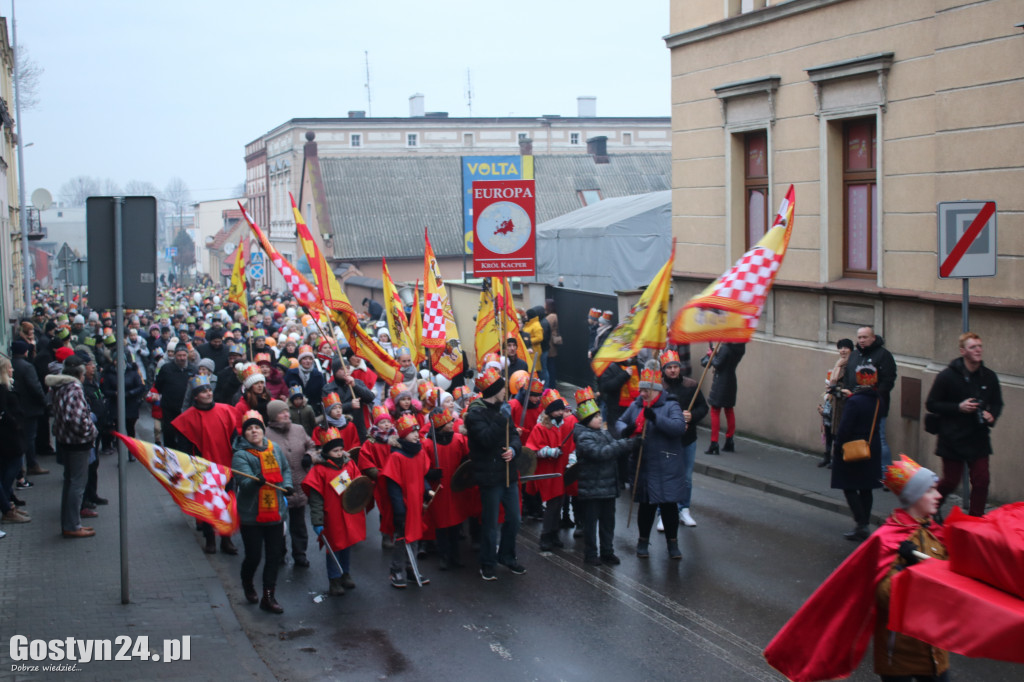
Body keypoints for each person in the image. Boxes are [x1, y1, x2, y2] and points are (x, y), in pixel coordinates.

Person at [764, 454, 949, 682]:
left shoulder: (936, 535)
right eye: (931, 490)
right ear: (916, 496)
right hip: (899, 653)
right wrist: (910, 571)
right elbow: (885, 596)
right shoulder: (889, 539)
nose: (938, 496)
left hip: (934, 649)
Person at [925, 331, 1002, 517]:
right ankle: (930, 508)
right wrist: (959, 407)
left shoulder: (989, 376)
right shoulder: (947, 376)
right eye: (973, 347)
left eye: (980, 346)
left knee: (982, 481)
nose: (978, 350)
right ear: (963, 351)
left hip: (978, 437)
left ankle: (975, 519)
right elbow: (932, 404)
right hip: (952, 437)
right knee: (950, 481)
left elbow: (998, 402)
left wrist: (991, 414)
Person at [617, 361, 688, 560]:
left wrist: (656, 418)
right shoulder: (636, 405)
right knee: (646, 507)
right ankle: (642, 541)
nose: (642, 394)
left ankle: (672, 544)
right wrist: (627, 430)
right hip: (643, 465)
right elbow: (620, 422)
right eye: (640, 390)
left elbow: (678, 427)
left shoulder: (671, 405)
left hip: (667, 465)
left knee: (668, 507)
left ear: (655, 391)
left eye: (645, 391)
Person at [464, 367, 525, 581]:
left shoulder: (503, 408)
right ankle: (487, 562)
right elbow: (487, 439)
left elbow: (514, 436)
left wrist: (514, 449)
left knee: (515, 519)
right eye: (501, 388)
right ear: (494, 390)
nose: (505, 392)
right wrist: (501, 418)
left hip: (508, 472)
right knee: (490, 523)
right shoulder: (475, 414)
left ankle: (507, 556)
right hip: (489, 476)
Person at [232, 410, 293, 614]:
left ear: (263, 430)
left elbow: (285, 469)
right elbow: (244, 483)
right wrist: (255, 480)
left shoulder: (274, 448)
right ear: (244, 434)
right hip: (252, 515)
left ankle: (268, 597)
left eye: (257, 427)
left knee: (274, 556)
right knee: (254, 556)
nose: (254, 431)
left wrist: (287, 485)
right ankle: (247, 582)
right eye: (249, 429)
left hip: (275, 512)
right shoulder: (240, 455)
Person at [173, 375, 241, 555]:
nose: (208, 393)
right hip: (203, 469)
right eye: (203, 391)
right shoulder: (187, 418)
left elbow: (235, 438)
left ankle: (226, 540)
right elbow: (184, 448)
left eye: (209, 389)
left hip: (225, 466)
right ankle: (210, 539)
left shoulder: (225, 410)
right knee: (208, 505)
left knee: (226, 503)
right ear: (195, 396)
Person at [303, 426, 367, 595]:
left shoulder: (350, 464)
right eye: (335, 451)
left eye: (341, 450)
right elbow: (316, 499)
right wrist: (317, 521)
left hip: (348, 512)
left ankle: (345, 573)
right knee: (334, 547)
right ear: (326, 452)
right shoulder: (319, 470)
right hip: (332, 516)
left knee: (347, 545)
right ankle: (334, 579)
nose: (339, 454)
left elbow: (359, 485)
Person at [572, 393, 631, 566]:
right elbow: (601, 453)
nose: (600, 418)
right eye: (595, 416)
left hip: (608, 488)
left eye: (599, 415)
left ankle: (607, 551)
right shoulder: (584, 436)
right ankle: (590, 553)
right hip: (592, 489)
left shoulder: (604, 433)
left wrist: (628, 440)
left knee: (608, 522)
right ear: (586, 420)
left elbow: (614, 448)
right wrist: (624, 444)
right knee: (591, 523)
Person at [48, 354, 99, 539]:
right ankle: (72, 525)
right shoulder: (74, 388)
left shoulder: (60, 387)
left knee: (70, 483)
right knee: (77, 484)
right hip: (78, 443)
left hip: (65, 441)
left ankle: (71, 522)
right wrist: (92, 431)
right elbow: (77, 419)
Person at [382, 414, 436, 588]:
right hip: (403, 504)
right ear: (403, 434)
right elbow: (393, 484)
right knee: (403, 538)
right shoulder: (396, 456)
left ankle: (411, 568)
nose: (416, 435)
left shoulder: (419, 452)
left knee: (415, 535)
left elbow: (422, 474)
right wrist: (399, 509)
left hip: (416, 501)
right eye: (412, 432)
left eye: (417, 431)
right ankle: (396, 569)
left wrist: (427, 488)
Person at [832, 363, 883, 542]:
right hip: (871, 447)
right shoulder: (876, 400)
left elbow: (845, 427)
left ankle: (861, 524)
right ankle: (865, 522)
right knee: (866, 488)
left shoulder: (854, 401)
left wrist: (838, 446)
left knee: (849, 485)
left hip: (853, 446)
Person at [659, 350, 708, 528]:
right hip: (666, 440)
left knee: (686, 476)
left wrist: (692, 416)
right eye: (669, 367)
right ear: (664, 370)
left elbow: (703, 407)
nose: (673, 370)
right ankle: (662, 512)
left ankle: (684, 509)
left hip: (688, 439)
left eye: (675, 367)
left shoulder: (691, 385)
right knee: (666, 476)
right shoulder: (659, 388)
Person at [265, 399, 315, 568]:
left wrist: (310, 455)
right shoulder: (266, 435)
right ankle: (279, 552)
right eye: (281, 412)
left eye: (286, 411)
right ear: (273, 415)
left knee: (299, 524)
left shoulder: (299, 429)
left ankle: (300, 554)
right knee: (279, 524)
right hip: (278, 487)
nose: (286, 414)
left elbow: (312, 445)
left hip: (300, 483)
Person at [525, 389, 575, 551]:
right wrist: (549, 451)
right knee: (553, 503)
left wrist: (571, 459)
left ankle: (554, 533)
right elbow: (532, 449)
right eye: (557, 409)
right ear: (550, 411)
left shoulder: (563, 427)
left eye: (562, 409)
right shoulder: (540, 428)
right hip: (547, 470)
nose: (561, 412)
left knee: (559, 501)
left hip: (560, 469)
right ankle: (546, 535)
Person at [422, 407, 470, 569]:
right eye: (449, 422)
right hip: (439, 489)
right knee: (441, 524)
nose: (453, 423)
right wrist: (430, 473)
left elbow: (466, 459)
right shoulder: (427, 444)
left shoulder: (458, 439)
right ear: (441, 425)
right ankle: (444, 556)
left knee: (456, 525)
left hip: (455, 487)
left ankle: (455, 555)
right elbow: (422, 467)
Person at [842, 326, 897, 468]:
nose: (861, 340)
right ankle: (863, 469)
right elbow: (848, 375)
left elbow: (888, 380)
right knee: (857, 438)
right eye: (859, 337)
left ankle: (885, 474)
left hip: (876, 404)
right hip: (854, 403)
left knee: (880, 439)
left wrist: (875, 396)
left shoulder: (883, 355)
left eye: (865, 337)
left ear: (873, 338)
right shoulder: (854, 355)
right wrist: (847, 390)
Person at [10, 340, 48, 478]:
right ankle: (32, 465)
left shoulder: (11, 364)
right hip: (29, 408)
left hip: (16, 407)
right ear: (25, 351)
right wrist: (44, 402)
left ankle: (21, 468)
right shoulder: (27, 367)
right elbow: (35, 387)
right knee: (30, 437)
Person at [0, 357, 31, 524]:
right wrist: (15, 423)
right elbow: (4, 412)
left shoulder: (8, 387)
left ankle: (8, 504)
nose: (12, 370)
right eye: (9, 368)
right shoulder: (3, 390)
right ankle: (6, 505)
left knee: (7, 469)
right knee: (12, 467)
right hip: (9, 438)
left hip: (10, 436)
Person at [704, 342, 745, 455]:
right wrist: (717, 354)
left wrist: (712, 355)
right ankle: (729, 440)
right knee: (729, 410)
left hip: (721, 381)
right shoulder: (740, 346)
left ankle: (714, 443)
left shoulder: (726, 347)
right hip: (731, 379)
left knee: (715, 411)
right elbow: (726, 360)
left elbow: (718, 363)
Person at [818, 339, 853, 468]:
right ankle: (827, 456)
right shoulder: (838, 363)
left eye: (846, 347)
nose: (843, 350)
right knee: (827, 428)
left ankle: (837, 459)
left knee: (838, 431)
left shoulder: (850, 365)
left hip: (842, 403)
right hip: (832, 400)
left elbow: (846, 385)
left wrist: (835, 388)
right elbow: (832, 381)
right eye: (840, 348)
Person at [154, 344, 195, 451]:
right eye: (179, 355)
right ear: (175, 356)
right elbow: (158, 385)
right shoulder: (166, 368)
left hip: (186, 409)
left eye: (184, 355)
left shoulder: (193, 369)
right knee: (169, 433)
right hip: (169, 408)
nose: (182, 358)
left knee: (184, 435)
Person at [543, 299, 561, 389]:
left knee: (550, 366)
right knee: (551, 365)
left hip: (550, 344)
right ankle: (552, 386)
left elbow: (545, 325)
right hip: (552, 343)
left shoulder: (551, 316)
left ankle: (551, 386)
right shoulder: (554, 315)